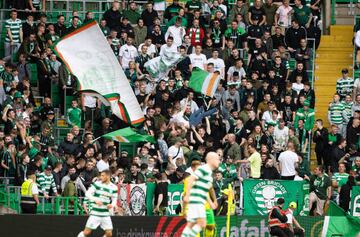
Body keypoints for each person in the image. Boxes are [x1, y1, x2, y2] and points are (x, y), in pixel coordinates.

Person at [181, 152, 220, 237]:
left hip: (206, 206)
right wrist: (184, 209)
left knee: (211, 226)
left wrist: (214, 201)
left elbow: (209, 189)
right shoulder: (188, 180)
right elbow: (185, 195)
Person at [78, 170, 118, 237]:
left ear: (108, 176)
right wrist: (95, 200)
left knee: (109, 234)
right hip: (95, 213)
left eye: (103, 175)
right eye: (101, 175)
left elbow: (114, 200)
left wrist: (112, 205)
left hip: (105, 214)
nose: (101, 177)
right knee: (87, 232)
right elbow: (87, 193)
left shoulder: (114, 187)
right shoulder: (97, 184)